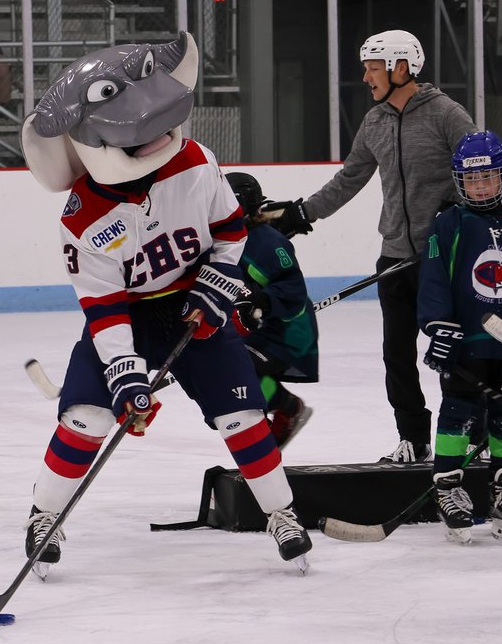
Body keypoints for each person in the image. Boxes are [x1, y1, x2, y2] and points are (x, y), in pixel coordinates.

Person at [19, 32, 312, 578]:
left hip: (189, 308)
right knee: (84, 419)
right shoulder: (82, 219)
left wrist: (216, 284)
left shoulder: (197, 162)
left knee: (244, 418)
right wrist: (127, 376)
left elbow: (229, 232)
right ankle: (45, 516)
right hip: (124, 317)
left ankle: (282, 515)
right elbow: (104, 307)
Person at [263, 30, 477, 463]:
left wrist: (454, 215)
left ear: (402, 67)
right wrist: (302, 215)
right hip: (395, 257)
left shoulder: (446, 115)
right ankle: (414, 439)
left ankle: (471, 435)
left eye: (372, 67)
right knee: (397, 357)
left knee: (456, 354)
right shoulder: (376, 121)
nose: (365, 77)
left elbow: (482, 171)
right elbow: (350, 178)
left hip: (442, 260)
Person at [417, 131, 502, 545]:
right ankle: (448, 487)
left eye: (487, 178)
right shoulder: (449, 223)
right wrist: (437, 325)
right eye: (471, 180)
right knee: (458, 410)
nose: (479, 187)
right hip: (467, 341)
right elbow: (434, 282)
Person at [225, 172, 319, 449]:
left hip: (288, 330)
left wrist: (261, 300)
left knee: (239, 371)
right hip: (259, 327)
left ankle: (261, 431)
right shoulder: (225, 237)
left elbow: (293, 289)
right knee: (229, 370)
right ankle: (283, 409)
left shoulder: (266, 242)